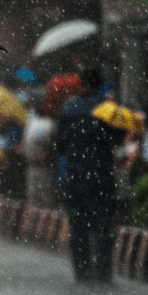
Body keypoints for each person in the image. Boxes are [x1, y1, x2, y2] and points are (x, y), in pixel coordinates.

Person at [54, 67, 125, 283]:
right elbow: (117, 139)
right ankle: (103, 269)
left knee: (78, 226)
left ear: (81, 84)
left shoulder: (68, 109)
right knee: (103, 225)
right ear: (99, 85)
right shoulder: (107, 109)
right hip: (101, 176)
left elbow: (59, 144)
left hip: (75, 177)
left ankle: (82, 270)